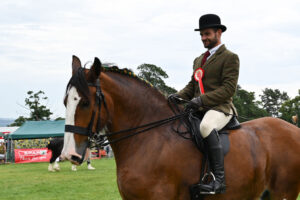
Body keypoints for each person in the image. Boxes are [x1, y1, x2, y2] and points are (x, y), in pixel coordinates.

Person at [169, 14, 240, 194]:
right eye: (201, 35)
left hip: (221, 108)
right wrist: (176, 97)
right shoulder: (199, 59)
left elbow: (228, 89)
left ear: (218, 33)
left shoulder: (230, 57)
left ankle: (219, 181)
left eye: (207, 34)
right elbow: (192, 86)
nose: (203, 38)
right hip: (198, 108)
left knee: (206, 127)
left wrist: (201, 100)